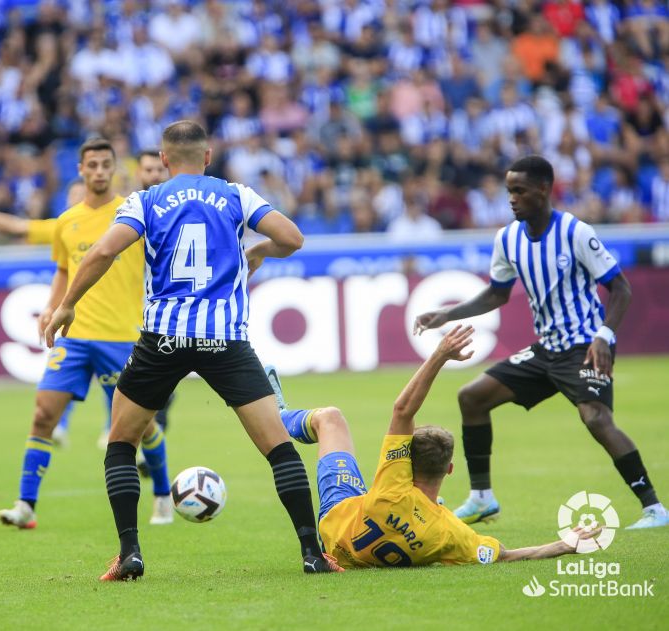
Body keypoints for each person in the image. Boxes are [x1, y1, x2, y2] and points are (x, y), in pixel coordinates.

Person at [45, 120, 340, 580]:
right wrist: (259, 251)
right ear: (208, 156)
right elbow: (293, 238)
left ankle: (130, 555)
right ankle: (312, 553)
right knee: (279, 448)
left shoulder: (146, 200)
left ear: (163, 160)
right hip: (224, 340)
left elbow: (102, 253)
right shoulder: (235, 195)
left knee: (121, 443)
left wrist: (66, 305)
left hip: (162, 340)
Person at [414, 155, 667, 531]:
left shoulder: (575, 232)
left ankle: (654, 509)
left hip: (585, 346)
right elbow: (497, 295)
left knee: (596, 418)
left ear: (544, 189)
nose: (512, 199)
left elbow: (621, 288)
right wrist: (448, 314)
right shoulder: (508, 238)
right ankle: (482, 497)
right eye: (508, 192)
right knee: (472, 397)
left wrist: (604, 335)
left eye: (519, 191)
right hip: (547, 349)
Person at [267, 325, 603, 568]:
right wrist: (564, 544)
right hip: (372, 538)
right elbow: (507, 555)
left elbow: (403, 410)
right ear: (450, 468)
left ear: (405, 464)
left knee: (330, 418)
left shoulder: (393, 484)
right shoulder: (449, 532)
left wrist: (440, 355)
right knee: (432, 506)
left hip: (335, 521)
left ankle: (278, 416)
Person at [0, 138, 174, 530]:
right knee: (43, 414)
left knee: (142, 426)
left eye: (104, 164)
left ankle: (162, 494)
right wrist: (51, 305)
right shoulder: (67, 220)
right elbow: (63, 269)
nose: (98, 171)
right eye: (91, 165)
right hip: (76, 336)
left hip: (124, 337)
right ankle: (26, 506)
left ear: (114, 168)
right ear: (80, 169)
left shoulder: (134, 212)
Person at [0, 151, 172, 451]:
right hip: (79, 329)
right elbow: (46, 254)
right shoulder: (66, 225)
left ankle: (138, 452)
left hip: (128, 326)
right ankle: (56, 452)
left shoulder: (129, 216)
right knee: (57, 396)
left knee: (138, 414)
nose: (79, 199)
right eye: (74, 196)